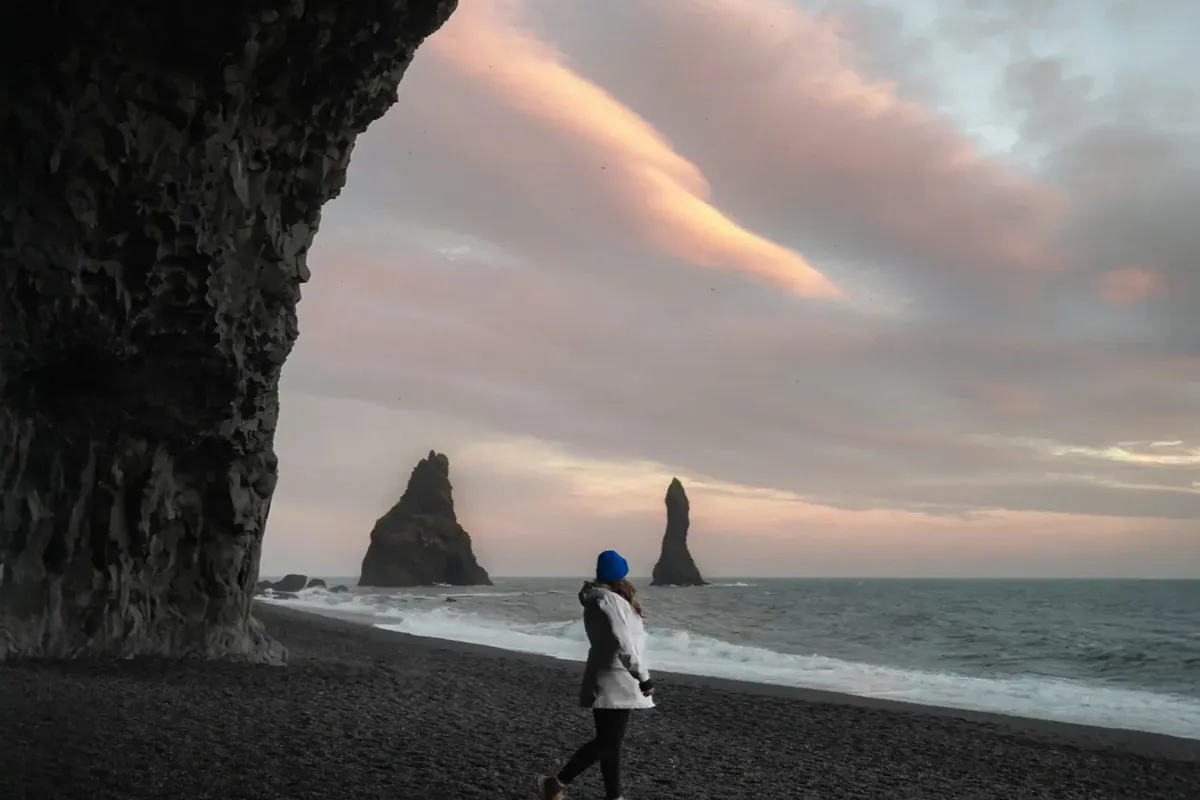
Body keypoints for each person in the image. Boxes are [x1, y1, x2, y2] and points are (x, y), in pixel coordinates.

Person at [536, 550, 654, 800]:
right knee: (608, 743)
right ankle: (556, 783)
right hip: (619, 678)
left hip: (607, 675)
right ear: (620, 575)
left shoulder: (598, 599)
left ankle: (613, 796)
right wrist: (643, 677)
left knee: (610, 743)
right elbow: (624, 644)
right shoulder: (610, 601)